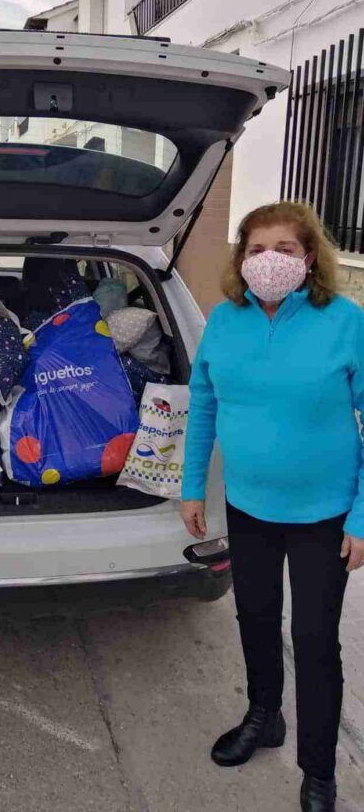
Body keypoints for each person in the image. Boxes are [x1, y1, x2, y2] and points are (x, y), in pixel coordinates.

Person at [180, 202, 364, 812]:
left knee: (314, 640)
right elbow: (204, 402)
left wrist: (363, 517)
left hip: (324, 515)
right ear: (241, 258)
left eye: (284, 249)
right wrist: (191, 487)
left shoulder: (345, 321)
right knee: (255, 619)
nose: (269, 261)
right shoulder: (224, 321)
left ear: (309, 257)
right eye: (257, 249)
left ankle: (319, 773)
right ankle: (264, 716)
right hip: (249, 507)